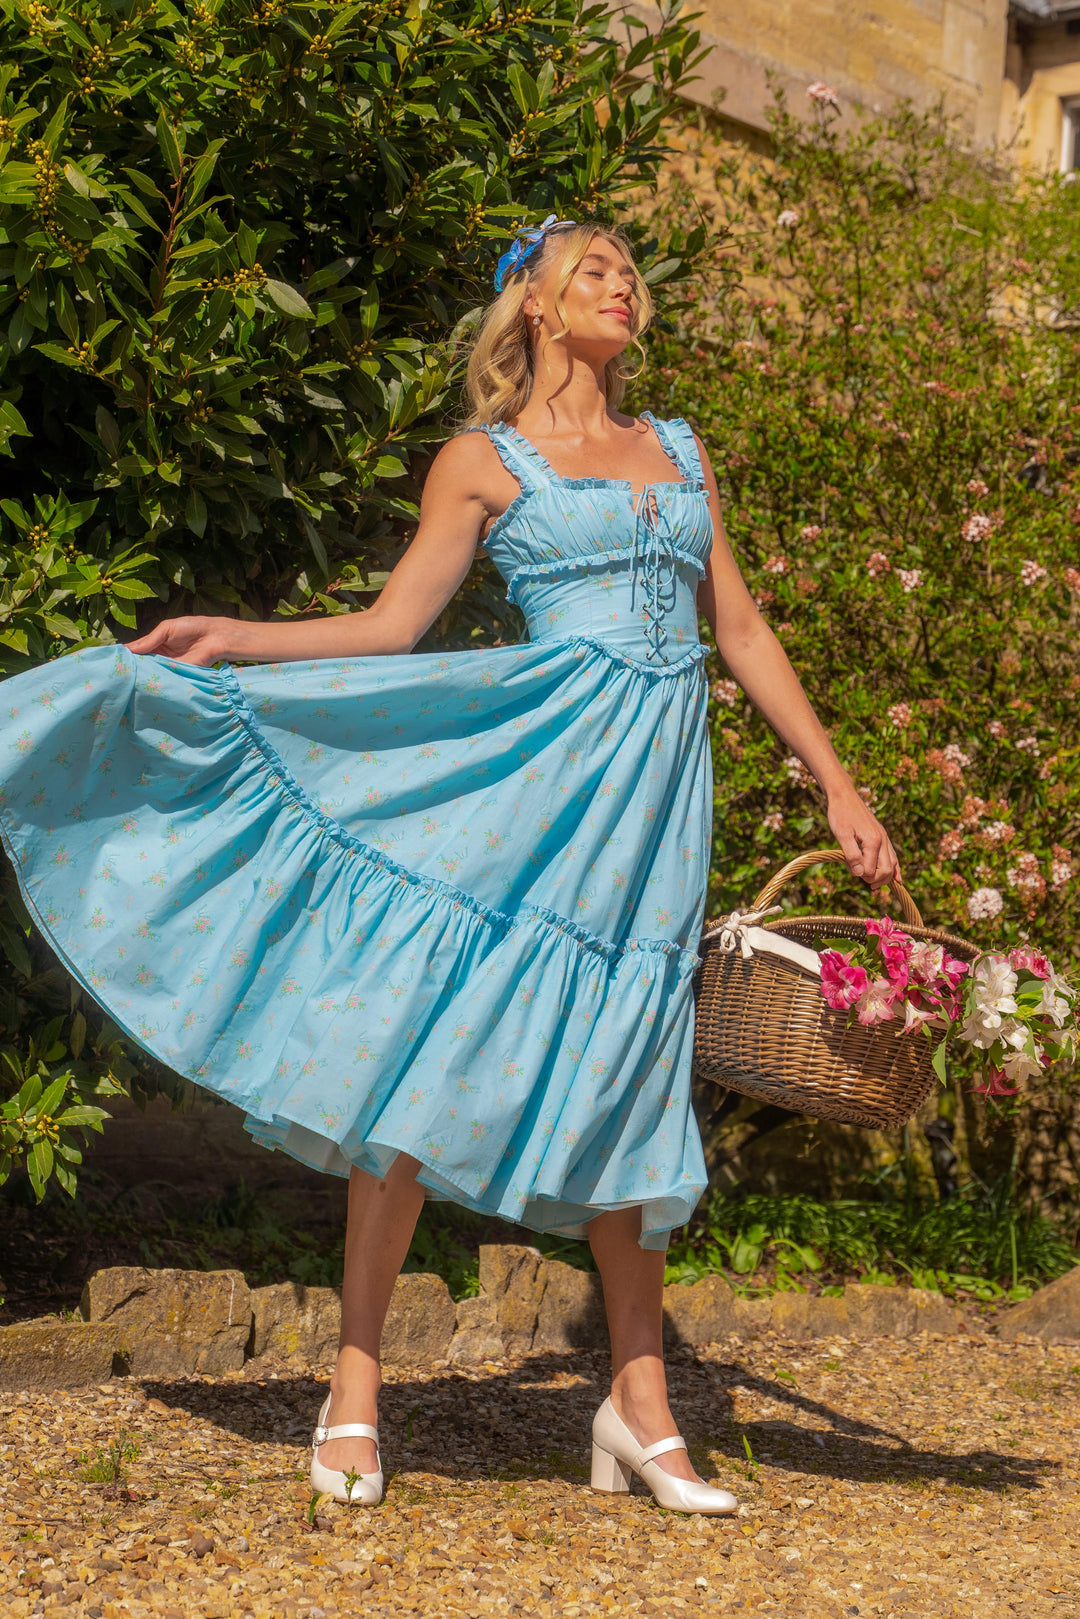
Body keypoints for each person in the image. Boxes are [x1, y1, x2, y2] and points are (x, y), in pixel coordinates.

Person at [0, 217, 899, 1516]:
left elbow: (742, 630)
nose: (624, 287)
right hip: (523, 785)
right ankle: (355, 1388)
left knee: (635, 1061)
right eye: (596, 270)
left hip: (652, 808)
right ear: (534, 303)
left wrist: (837, 778)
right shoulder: (482, 460)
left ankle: (639, 1408)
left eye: (631, 274)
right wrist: (238, 639)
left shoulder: (679, 448)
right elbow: (394, 625)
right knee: (426, 1055)